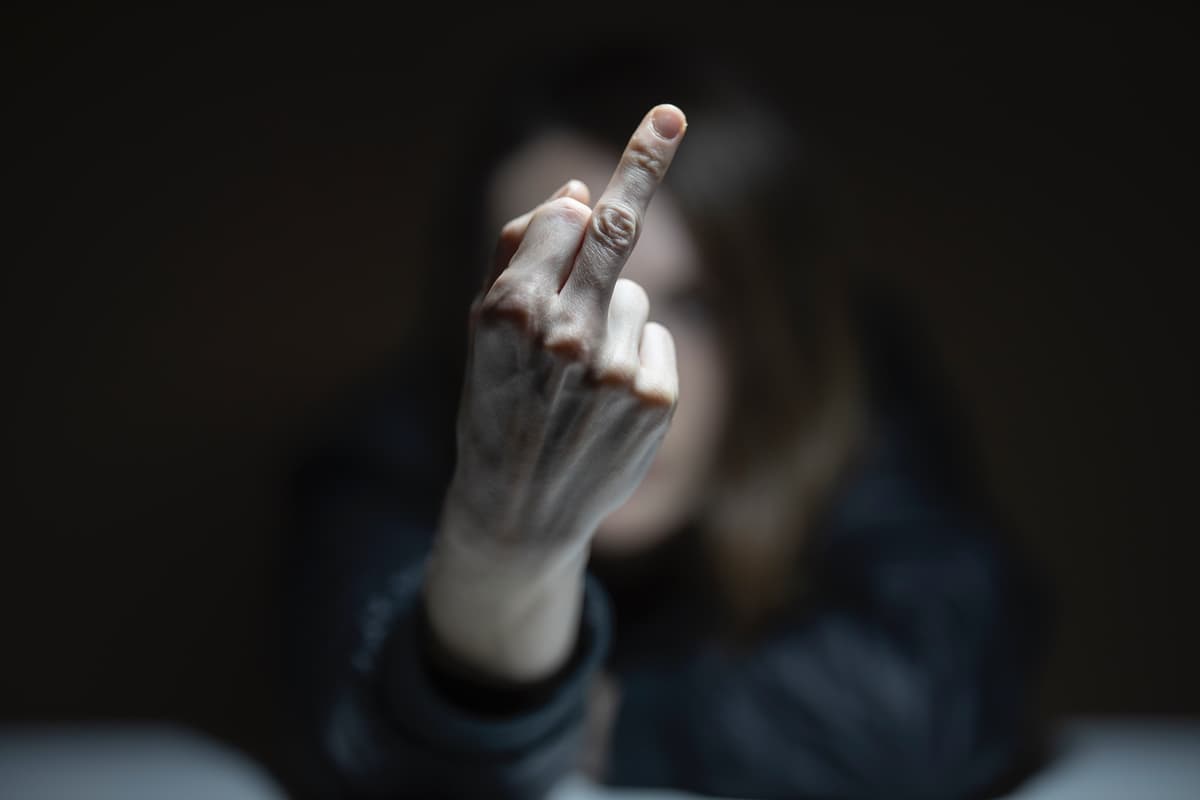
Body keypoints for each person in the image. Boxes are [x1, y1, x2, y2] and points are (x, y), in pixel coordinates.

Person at [284, 45, 1045, 800]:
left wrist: (595, 717)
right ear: (476, 308)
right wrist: (502, 536)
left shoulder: (851, 405)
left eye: (695, 305)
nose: (612, 361)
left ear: (775, 330)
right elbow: (369, 734)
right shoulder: (386, 443)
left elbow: (937, 702)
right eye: (558, 286)